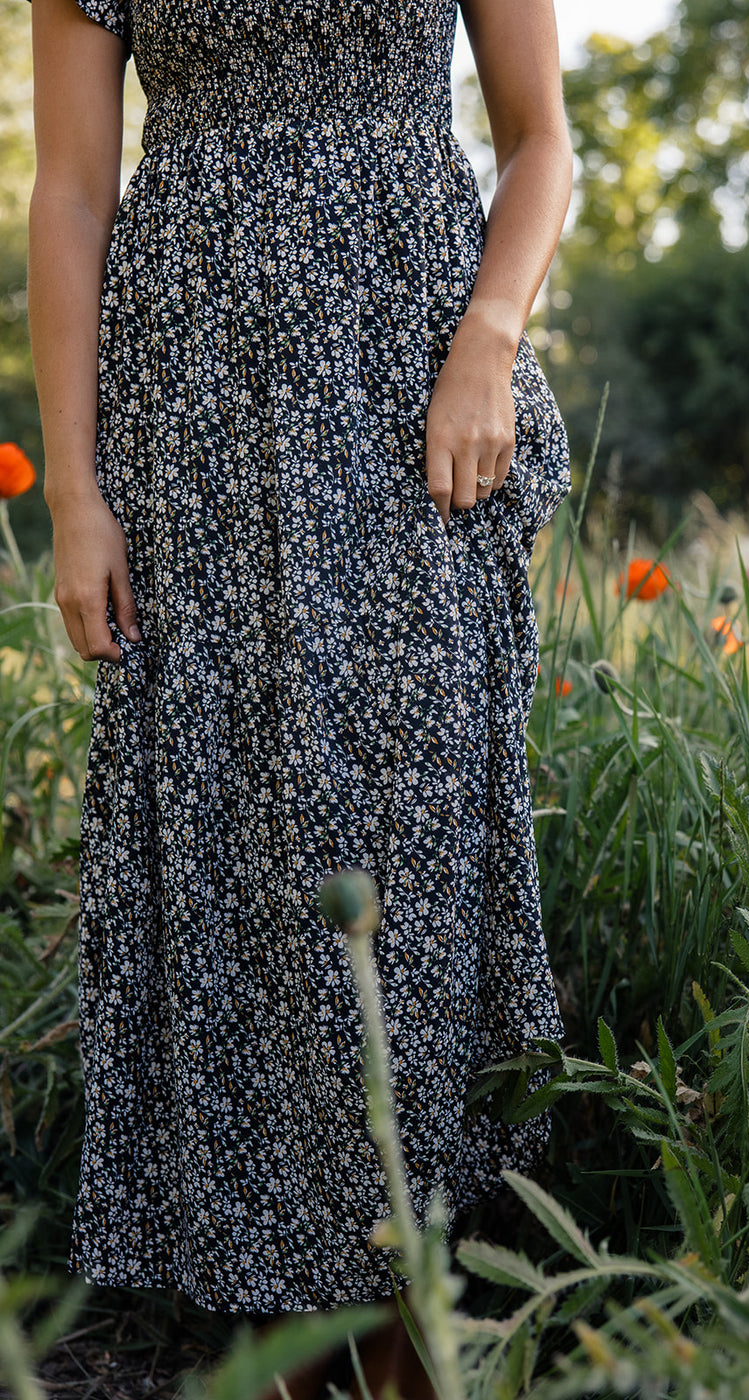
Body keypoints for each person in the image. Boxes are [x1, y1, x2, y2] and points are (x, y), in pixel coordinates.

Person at [27, 0, 572, 1392]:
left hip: (414, 369)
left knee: (411, 829)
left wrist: (488, 341)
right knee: (234, 838)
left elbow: (539, 141)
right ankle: (275, 1336)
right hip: (188, 379)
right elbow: (74, 191)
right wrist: (76, 495)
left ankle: (408, 1320)